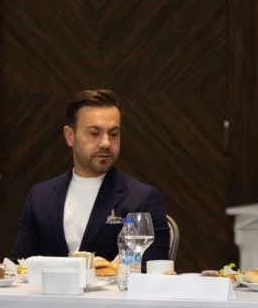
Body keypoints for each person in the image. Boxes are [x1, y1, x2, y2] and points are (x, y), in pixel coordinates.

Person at [11, 88, 169, 264]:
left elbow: (154, 270)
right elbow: (20, 265)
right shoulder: (40, 197)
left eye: (114, 134)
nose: (106, 143)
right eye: (94, 133)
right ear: (70, 136)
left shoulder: (142, 199)